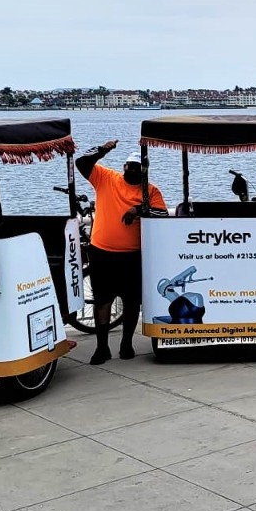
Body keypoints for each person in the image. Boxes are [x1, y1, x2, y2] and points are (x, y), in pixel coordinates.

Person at [77, 140, 167, 364]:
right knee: (102, 301)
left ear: (143, 170)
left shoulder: (150, 191)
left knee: (131, 302)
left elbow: (162, 214)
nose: (132, 170)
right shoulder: (106, 178)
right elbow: (82, 163)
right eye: (129, 166)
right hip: (102, 252)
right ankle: (101, 347)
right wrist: (102, 150)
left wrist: (138, 209)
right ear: (124, 166)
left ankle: (126, 343)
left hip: (133, 255)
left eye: (137, 167)